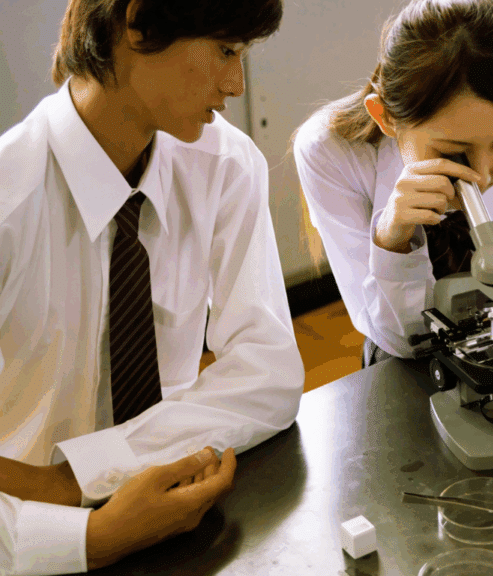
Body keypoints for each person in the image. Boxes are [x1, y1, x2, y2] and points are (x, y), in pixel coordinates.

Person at [0, 0, 304, 572]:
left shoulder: (227, 166)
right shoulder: (9, 200)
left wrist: (75, 478)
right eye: (225, 51)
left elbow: (272, 373)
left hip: (177, 513)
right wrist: (92, 534)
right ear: (137, 25)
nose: (236, 84)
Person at [293, 0, 493, 366]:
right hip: (400, 357)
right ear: (385, 117)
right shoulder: (330, 152)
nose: (481, 177)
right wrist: (393, 239)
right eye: (454, 151)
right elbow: (396, 338)